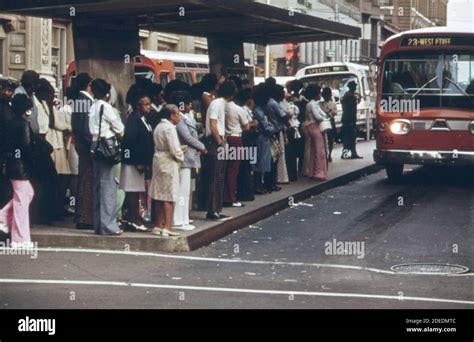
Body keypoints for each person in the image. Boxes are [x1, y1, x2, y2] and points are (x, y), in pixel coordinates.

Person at [88, 79, 124, 236]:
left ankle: (98, 225)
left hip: (94, 147)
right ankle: (109, 226)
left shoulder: (93, 106)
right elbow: (120, 128)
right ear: (107, 93)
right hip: (106, 148)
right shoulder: (106, 107)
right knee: (108, 187)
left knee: (97, 187)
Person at [0, 94, 35, 247]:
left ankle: (2, 218)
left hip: (11, 164)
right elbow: (26, 148)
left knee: (25, 195)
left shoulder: (9, 123)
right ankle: (19, 239)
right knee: (23, 199)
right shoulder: (23, 124)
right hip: (21, 167)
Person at [170, 91, 207, 230]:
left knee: (186, 190)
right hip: (183, 157)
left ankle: (183, 217)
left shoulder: (185, 117)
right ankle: (178, 220)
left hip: (189, 156)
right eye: (188, 104)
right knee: (181, 190)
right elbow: (187, 137)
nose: (190, 106)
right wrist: (202, 147)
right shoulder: (179, 119)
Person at [119, 92, 154, 232]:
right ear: (138, 106)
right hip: (134, 162)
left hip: (140, 161)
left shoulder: (143, 118)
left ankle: (132, 218)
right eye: (146, 104)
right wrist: (137, 162)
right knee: (133, 191)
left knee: (135, 190)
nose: (149, 106)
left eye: (149, 103)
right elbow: (130, 141)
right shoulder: (134, 119)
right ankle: (134, 219)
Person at [36, 78, 71, 219]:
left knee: (62, 177)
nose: (51, 97)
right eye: (49, 94)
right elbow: (53, 123)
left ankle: (58, 206)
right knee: (54, 178)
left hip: (57, 144)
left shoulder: (46, 104)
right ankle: (53, 209)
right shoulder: (41, 106)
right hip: (50, 145)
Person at [149, 105, 185, 237]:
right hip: (168, 161)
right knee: (170, 195)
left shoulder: (159, 126)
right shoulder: (170, 128)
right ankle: (168, 227)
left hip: (158, 159)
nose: (179, 117)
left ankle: (159, 225)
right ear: (171, 115)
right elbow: (175, 149)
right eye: (178, 114)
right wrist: (181, 154)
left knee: (159, 194)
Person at [204, 80, 236, 221]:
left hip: (219, 141)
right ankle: (212, 210)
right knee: (215, 177)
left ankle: (217, 209)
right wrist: (220, 142)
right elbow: (213, 125)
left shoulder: (220, 104)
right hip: (215, 142)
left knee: (219, 177)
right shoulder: (217, 104)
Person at [71, 73, 95, 230]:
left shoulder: (80, 99)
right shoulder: (85, 101)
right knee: (87, 179)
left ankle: (83, 215)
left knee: (84, 178)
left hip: (81, 144)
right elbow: (84, 127)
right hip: (86, 146)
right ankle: (85, 217)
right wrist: (92, 145)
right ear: (89, 84)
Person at [223, 83, 250, 208]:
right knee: (233, 169)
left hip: (223, 139)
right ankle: (231, 198)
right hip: (236, 138)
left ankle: (224, 196)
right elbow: (246, 126)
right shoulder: (237, 109)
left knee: (225, 168)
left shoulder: (221, 107)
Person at [252, 84, 277, 194]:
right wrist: (273, 128)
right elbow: (267, 128)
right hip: (262, 139)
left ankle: (260, 185)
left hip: (263, 138)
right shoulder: (259, 112)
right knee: (260, 164)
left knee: (262, 163)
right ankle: (258, 186)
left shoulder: (259, 110)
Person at [264, 83, 288, 191]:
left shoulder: (268, 102)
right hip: (276, 131)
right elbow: (283, 116)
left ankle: (270, 182)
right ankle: (271, 183)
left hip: (272, 131)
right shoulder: (274, 103)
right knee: (275, 158)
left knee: (273, 158)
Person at [236, 88, 258, 202]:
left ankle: (248, 191)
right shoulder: (243, 110)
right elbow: (245, 126)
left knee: (248, 165)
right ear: (249, 100)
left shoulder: (247, 111)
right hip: (246, 139)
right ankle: (245, 192)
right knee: (246, 166)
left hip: (248, 139)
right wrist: (254, 123)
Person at [304, 84, 328, 181]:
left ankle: (311, 171)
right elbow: (318, 116)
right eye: (319, 92)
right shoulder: (313, 104)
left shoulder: (310, 103)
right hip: (315, 127)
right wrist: (325, 118)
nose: (320, 94)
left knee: (313, 150)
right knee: (319, 151)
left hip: (310, 127)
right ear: (316, 93)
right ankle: (319, 172)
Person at [0, 78, 17, 208]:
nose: (8, 93)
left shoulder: (8, 107)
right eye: (6, 90)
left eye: (10, 91)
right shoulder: (5, 108)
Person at [13, 70, 40, 134]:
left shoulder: (31, 95)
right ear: (32, 84)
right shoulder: (18, 95)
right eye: (37, 83)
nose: (38, 86)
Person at [340, 80, 362, 159]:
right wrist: (352, 121)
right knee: (349, 138)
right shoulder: (350, 96)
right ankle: (347, 153)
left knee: (350, 138)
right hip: (349, 120)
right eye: (354, 86)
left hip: (348, 119)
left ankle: (352, 153)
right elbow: (350, 110)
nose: (355, 87)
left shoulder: (348, 95)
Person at [319, 87, 338, 162]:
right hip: (323, 122)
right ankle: (325, 154)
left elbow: (334, 112)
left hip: (331, 122)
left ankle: (329, 154)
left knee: (330, 139)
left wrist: (328, 112)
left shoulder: (333, 103)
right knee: (323, 139)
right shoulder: (320, 104)